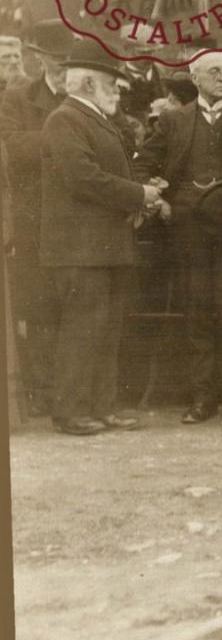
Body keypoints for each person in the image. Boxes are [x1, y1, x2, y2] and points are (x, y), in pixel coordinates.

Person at [134, 49, 222, 426]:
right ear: (194, 78)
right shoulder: (173, 122)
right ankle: (202, 398)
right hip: (189, 235)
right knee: (197, 317)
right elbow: (143, 166)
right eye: (214, 72)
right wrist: (159, 199)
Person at [39, 39, 162, 435]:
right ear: (90, 83)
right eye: (112, 83)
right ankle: (71, 412)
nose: (118, 90)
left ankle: (102, 406)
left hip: (103, 246)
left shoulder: (93, 117)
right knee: (81, 330)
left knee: (106, 329)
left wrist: (136, 200)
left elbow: (103, 175)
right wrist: (138, 194)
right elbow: (82, 177)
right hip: (79, 250)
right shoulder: (65, 119)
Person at [0, 20, 72, 416]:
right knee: (40, 308)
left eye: (68, 61)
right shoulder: (18, 97)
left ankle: (71, 392)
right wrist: (63, 137)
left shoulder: (85, 93)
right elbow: (12, 147)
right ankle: (43, 392)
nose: (63, 69)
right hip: (36, 220)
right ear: (41, 60)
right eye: (56, 61)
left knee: (73, 308)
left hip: (78, 219)